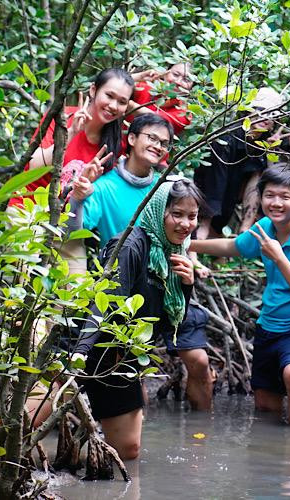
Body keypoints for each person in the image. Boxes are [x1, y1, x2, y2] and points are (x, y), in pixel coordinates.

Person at [69, 179, 211, 460]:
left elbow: (172, 327)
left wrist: (186, 286)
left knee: (128, 451)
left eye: (192, 216)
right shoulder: (131, 245)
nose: (185, 224)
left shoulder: (173, 252)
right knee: (30, 420)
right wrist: (79, 354)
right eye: (177, 214)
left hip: (125, 353)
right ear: (159, 212)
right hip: (92, 345)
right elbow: (104, 302)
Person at [190, 166, 290, 425]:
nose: (276, 203)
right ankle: (269, 459)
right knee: (266, 409)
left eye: (284, 196)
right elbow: (234, 245)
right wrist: (187, 244)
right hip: (268, 326)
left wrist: (279, 257)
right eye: (269, 195)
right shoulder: (264, 227)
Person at [9, 68, 135, 208]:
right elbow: (32, 167)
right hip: (26, 207)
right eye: (109, 96)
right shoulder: (61, 116)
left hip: (67, 220)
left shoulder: (117, 143)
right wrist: (71, 133)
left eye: (122, 102)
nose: (113, 106)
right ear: (93, 90)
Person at [194, 87, 284, 237]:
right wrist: (205, 224)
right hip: (205, 205)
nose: (266, 117)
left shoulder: (262, 144)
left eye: (272, 114)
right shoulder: (227, 139)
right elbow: (214, 184)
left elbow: (259, 182)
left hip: (228, 206)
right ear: (249, 110)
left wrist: (273, 152)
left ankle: (244, 231)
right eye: (261, 110)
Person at [77, 113, 172, 246]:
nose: (158, 146)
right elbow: (74, 229)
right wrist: (77, 196)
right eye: (152, 138)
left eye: (164, 143)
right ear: (132, 138)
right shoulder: (103, 187)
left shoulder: (165, 188)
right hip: (116, 265)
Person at [128, 63, 194, 137]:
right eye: (175, 74)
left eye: (186, 80)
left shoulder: (185, 114)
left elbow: (154, 119)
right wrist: (138, 76)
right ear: (165, 73)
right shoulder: (145, 88)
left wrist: (124, 102)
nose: (178, 82)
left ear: (192, 87)